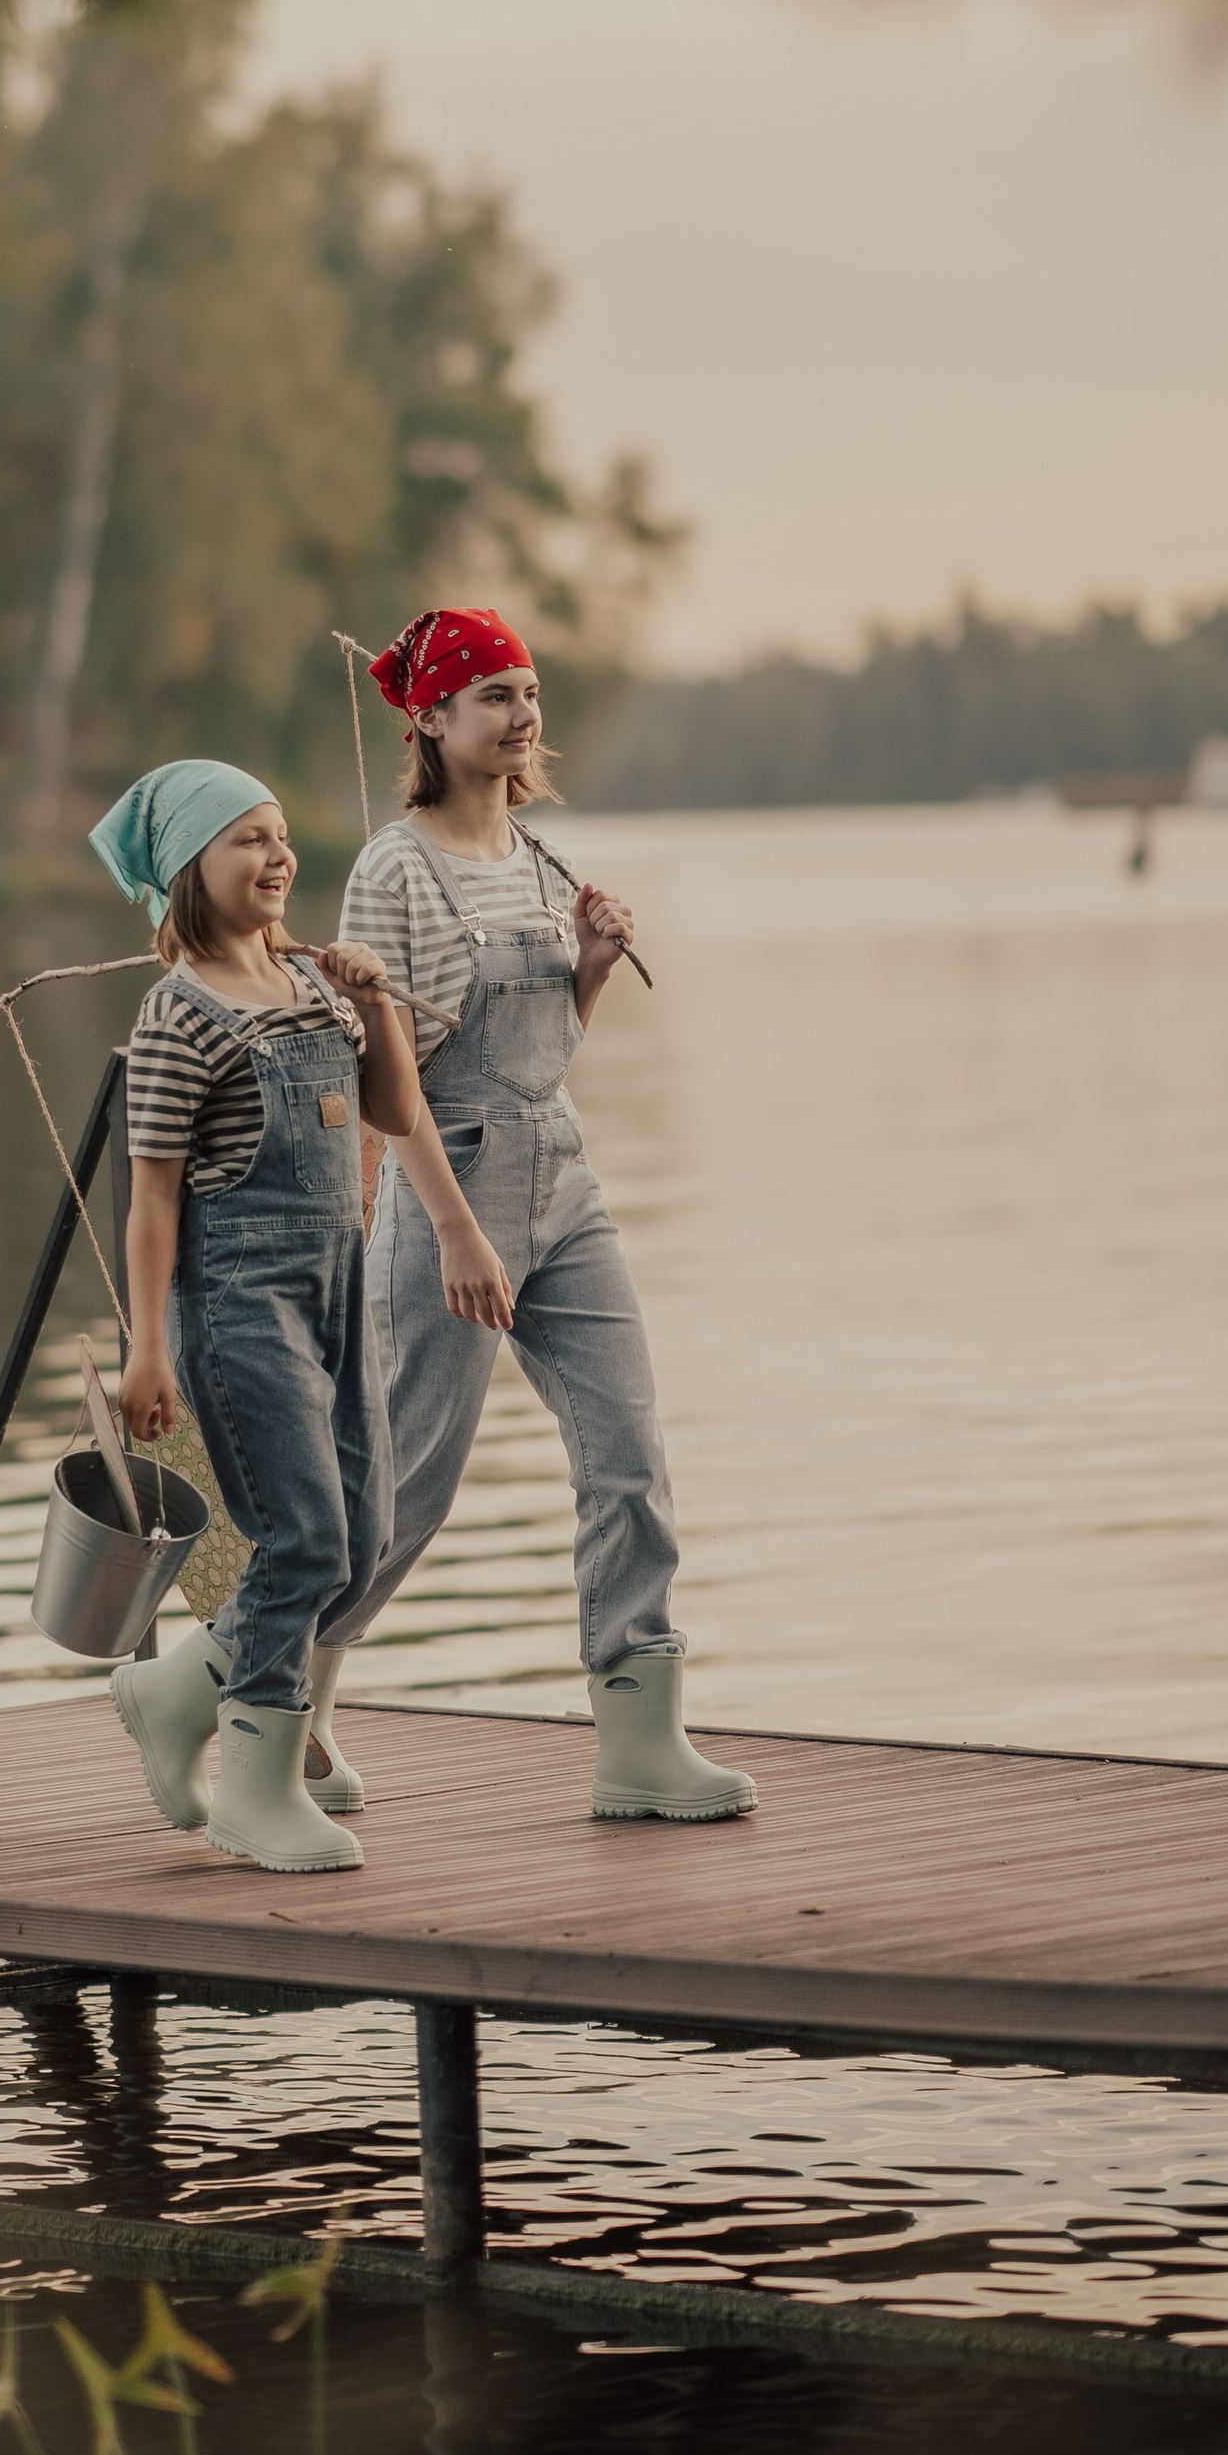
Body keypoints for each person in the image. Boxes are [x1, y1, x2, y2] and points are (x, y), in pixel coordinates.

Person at [332, 607, 756, 1823]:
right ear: (431, 718)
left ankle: (638, 1742)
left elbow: (543, 1056)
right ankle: (255, 1692)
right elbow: (389, 1074)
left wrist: (590, 969)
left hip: (561, 1177)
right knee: (407, 1484)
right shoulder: (393, 867)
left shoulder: (535, 855)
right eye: (494, 696)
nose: (521, 716)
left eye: (528, 692)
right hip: (444, 1189)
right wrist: (457, 1231)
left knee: (628, 1451)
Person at [89, 757, 421, 1874]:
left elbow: (392, 1113)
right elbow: (149, 1200)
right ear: (190, 868)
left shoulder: (319, 985)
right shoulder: (176, 1016)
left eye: (282, 835)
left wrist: (376, 1001)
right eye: (247, 839)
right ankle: (256, 1785)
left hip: (341, 1289)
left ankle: (174, 1692)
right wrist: (147, 1351)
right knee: (303, 1537)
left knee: (362, 1537)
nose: (278, 856)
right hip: (239, 1306)